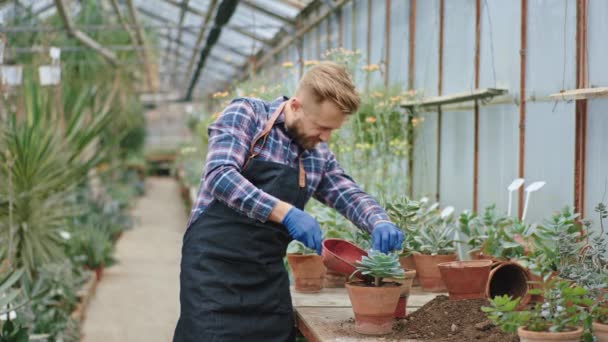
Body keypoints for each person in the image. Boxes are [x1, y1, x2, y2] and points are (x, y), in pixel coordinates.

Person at [173, 62, 404, 341]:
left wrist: (379, 221)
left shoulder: (316, 154)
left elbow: (347, 193)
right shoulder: (247, 115)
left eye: (332, 130)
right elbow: (219, 175)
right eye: (321, 127)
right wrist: (286, 213)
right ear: (295, 106)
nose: (325, 137)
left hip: (266, 277)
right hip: (213, 270)